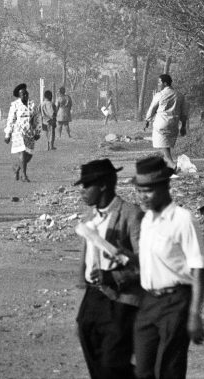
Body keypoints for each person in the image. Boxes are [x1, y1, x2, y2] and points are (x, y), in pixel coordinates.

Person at [133, 155, 204, 379]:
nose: (142, 196)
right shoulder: (146, 220)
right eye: (139, 190)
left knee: (169, 368)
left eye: (148, 190)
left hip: (176, 302)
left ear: (165, 187)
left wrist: (194, 314)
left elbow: (198, 268)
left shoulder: (183, 220)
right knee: (143, 369)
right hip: (148, 302)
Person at [75, 159, 143, 379]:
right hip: (93, 299)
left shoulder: (131, 215)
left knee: (114, 364)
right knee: (94, 359)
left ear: (103, 185)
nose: (83, 192)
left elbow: (147, 264)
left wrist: (114, 276)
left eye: (87, 186)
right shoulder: (91, 218)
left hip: (122, 301)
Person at [144, 74, 188, 171]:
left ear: (165, 83)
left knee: (162, 144)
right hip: (174, 123)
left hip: (161, 122)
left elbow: (152, 109)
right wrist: (183, 126)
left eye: (159, 82)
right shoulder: (179, 95)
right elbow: (184, 113)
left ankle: (172, 165)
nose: (158, 84)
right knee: (165, 144)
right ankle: (168, 165)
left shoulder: (160, 95)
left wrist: (147, 120)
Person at [4, 83, 41, 182]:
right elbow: (10, 120)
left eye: (26, 94)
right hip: (18, 132)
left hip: (30, 132)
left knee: (29, 155)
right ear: (19, 96)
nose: (25, 96)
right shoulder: (15, 105)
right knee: (23, 153)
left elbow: (37, 118)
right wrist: (8, 134)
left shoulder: (33, 105)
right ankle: (24, 175)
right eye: (22, 94)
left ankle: (17, 168)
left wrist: (38, 131)